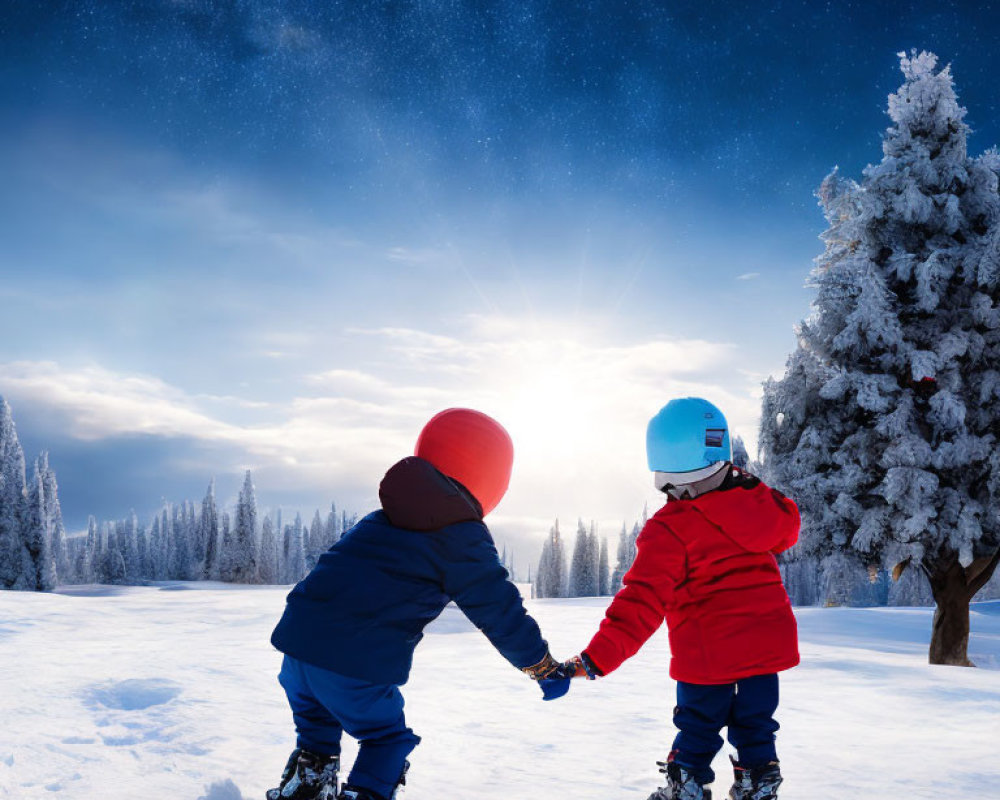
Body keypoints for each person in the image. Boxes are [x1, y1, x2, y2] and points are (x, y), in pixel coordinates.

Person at [266, 408, 566, 800]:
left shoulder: (378, 519)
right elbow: (497, 610)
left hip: (297, 652)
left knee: (317, 734)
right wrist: (540, 665)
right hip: (352, 666)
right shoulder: (460, 534)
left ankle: (304, 786)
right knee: (386, 739)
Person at [558, 397, 800, 800]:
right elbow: (787, 524)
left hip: (707, 658)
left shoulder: (669, 529)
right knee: (756, 725)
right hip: (764, 656)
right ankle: (759, 783)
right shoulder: (757, 507)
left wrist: (594, 659)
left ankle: (685, 785)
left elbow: (639, 604)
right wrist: (748, 484)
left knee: (697, 726)